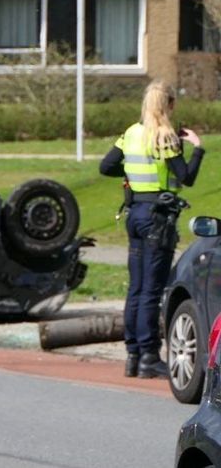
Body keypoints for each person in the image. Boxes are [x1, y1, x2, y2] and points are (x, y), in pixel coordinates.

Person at [100, 80, 205, 378]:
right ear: (169, 105)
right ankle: (149, 355)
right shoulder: (165, 137)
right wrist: (197, 148)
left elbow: (106, 167)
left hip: (134, 213)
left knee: (135, 288)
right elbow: (187, 177)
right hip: (157, 218)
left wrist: (133, 172)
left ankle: (132, 355)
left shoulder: (131, 133)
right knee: (151, 290)